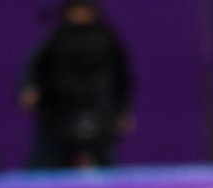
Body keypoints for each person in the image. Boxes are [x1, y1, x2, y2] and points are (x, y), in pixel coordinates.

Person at [20, 0, 132, 169]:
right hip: (58, 115)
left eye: (83, 11)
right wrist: (29, 88)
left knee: (107, 169)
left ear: (93, 13)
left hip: (99, 114)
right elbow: (37, 68)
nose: (79, 16)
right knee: (44, 168)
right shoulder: (56, 39)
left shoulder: (107, 41)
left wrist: (123, 110)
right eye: (75, 11)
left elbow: (122, 79)